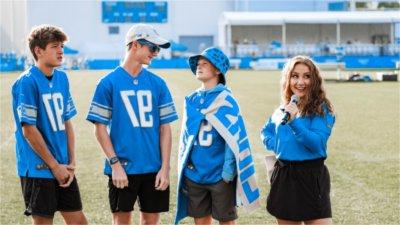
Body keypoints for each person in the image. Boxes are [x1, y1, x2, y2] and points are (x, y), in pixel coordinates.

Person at [86, 23, 178, 225]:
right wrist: (115, 165)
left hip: (153, 168)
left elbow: (165, 128)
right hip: (122, 168)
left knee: (151, 222)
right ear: (135, 44)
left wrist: (165, 168)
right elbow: (99, 128)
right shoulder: (108, 83)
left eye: (157, 49)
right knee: (121, 222)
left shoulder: (158, 83)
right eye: (152, 48)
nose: (155, 53)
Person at [11, 25, 87, 225]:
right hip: (39, 168)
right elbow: (29, 130)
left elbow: (66, 122)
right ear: (39, 50)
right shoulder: (27, 82)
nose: (61, 50)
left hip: (63, 166)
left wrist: (71, 163)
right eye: (55, 46)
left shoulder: (62, 78)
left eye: (61, 46)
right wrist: (54, 166)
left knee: (78, 221)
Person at [175, 47, 260, 225]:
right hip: (195, 174)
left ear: (218, 69)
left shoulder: (227, 100)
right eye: (198, 63)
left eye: (205, 63)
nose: (199, 66)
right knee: (200, 221)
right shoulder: (191, 100)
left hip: (219, 175)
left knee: (226, 221)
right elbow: (186, 137)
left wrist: (227, 172)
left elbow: (233, 139)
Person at [261, 55, 335, 225]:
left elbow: (317, 143)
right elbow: (265, 132)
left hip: (311, 177)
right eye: (295, 76)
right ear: (288, 79)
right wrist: (278, 145)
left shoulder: (322, 109)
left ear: (314, 79)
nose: (300, 82)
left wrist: (294, 123)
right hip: (284, 177)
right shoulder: (283, 109)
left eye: (306, 76)